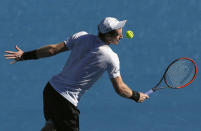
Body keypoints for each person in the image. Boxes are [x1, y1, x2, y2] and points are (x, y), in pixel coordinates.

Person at [4, 17, 149, 131]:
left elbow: (52, 50)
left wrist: (24, 55)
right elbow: (120, 88)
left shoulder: (81, 36)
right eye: (118, 33)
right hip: (66, 102)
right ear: (109, 35)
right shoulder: (111, 57)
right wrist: (136, 96)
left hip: (50, 90)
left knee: (51, 127)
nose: (122, 36)